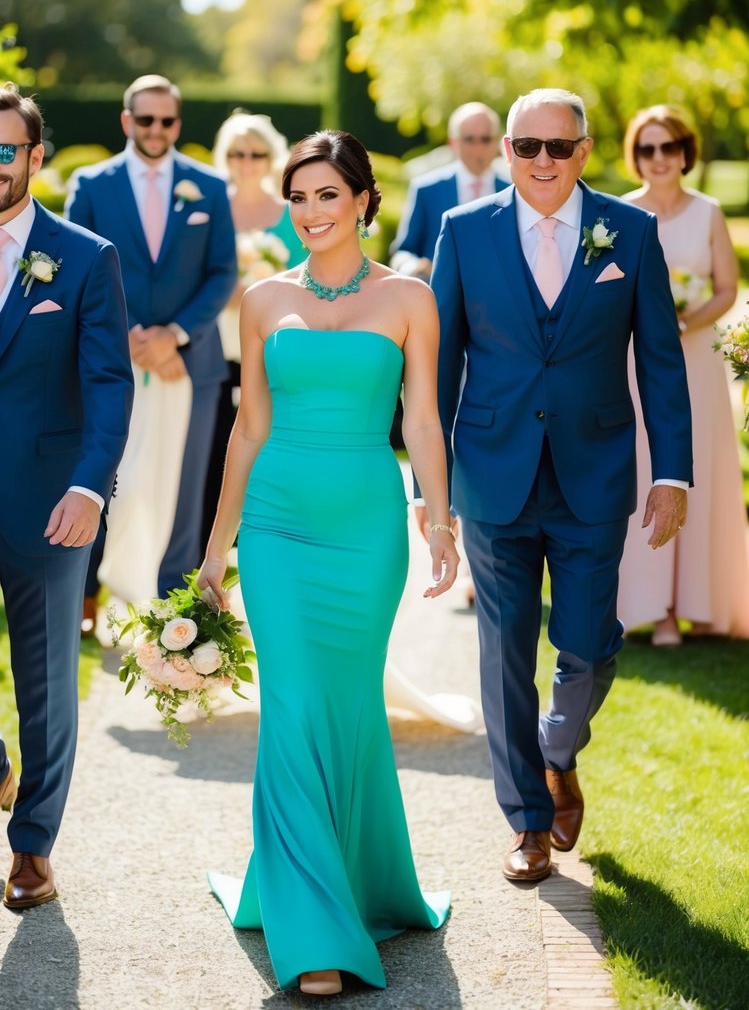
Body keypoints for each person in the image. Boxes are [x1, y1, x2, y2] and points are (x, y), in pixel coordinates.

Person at [199, 130, 456, 996]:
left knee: (346, 706)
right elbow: (247, 426)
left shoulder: (410, 297)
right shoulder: (262, 298)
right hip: (276, 527)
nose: (309, 213)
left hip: (365, 530)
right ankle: (312, 933)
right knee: (293, 705)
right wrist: (215, 547)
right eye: (297, 198)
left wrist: (442, 521)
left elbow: (421, 421)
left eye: (325, 197)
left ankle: (361, 882)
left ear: (362, 201)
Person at [425, 88, 692, 883]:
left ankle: (557, 748)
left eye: (558, 146)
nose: (541, 161)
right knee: (502, 651)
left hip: (594, 469)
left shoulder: (631, 232)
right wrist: (429, 489)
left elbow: (660, 361)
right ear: (505, 150)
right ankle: (527, 823)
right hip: (490, 471)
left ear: (582, 150)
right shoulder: (461, 232)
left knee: (588, 643)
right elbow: (436, 369)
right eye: (525, 146)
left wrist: (671, 471)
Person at [0, 84, 133, 909]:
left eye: (3, 151)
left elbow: (109, 385)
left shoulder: (84, 256)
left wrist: (91, 485)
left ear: (35, 156)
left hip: (50, 499)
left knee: (45, 681)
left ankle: (33, 845)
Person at [66, 75, 236, 621]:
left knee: (186, 495)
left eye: (166, 121)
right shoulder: (91, 185)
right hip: (115, 360)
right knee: (112, 479)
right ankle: (92, 596)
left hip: (191, 363)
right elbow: (78, 266)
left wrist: (174, 335)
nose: (156, 129)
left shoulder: (208, 186)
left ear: (177, 125)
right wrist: (134, 334)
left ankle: (175, 612)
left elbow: (221, 271)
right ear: (126, 121)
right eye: (145, 120)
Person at [616, 105, 749, 644]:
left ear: (684, 152)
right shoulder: (618, 214)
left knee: (704, 473)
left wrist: (683, 320)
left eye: (667, 147)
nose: (658, 159)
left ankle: (704, 601)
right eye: (647, 149)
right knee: (650, 471)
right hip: (635, 367)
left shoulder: (709, 212)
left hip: (697, 360)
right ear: (636, 157)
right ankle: (658, 607)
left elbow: (726, 288)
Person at [200, 110, 305, 554]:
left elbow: (306, 275)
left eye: (256, 152)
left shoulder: (290, 211)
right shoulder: (209, 206)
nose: (247, 160)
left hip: (273, 345)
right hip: (214, 342)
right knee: (215, 445)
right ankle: (212, 541)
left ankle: (266, 534)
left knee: (269, 442)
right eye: (237, 152)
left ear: (271, 156)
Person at [390, 101, 508, 281]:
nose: (478, 148)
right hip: (439, 300)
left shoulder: (512, 190)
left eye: (485, 139)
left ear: (498, 141)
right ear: (453, 142)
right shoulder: (426, 190)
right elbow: (403, 251)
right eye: (469, 139)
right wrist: (412, 267)